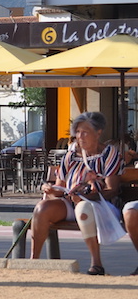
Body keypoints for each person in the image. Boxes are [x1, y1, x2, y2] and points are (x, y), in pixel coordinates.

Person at [32, 111, 122, 275]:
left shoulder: (109, 154)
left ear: (98, 132)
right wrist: (51, 189)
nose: (80, 136)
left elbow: (111, 190)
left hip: (99, 206)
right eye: (78, 132)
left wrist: (84, 197)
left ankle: (97, 264)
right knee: (42, 208)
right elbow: (60, 187)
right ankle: (33, 261)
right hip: (70, 202)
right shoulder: (71, 155)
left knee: (83, 208)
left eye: (85, 132)